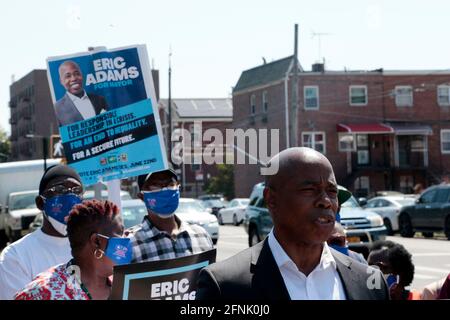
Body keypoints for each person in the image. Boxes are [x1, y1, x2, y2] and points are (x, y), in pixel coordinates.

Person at [196, 147, 389, 300]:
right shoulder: (224, 285)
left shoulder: (370, 282)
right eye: (309, 189)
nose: (326, 201)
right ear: (272, 199)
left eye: (332, 191)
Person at [14, 200, 131, 300]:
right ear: (96, 241)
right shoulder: (40, 293)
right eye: (121, 234)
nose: (127, 238)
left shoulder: (127, 285)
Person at [0, 164, 83, 300]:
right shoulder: (15, 257)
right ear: (40, 203)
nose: (70, 196)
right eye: (60, 190)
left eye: (76, 190)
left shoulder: (94, 247)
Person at [127, 168, 213, 263]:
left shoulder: (201, 235)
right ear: (141, 196)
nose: (165, 190)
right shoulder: (129, 243)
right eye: (155, 185)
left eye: (171, 184)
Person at [54, 60, 108, 126]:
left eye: (77, 74)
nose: (73, 79)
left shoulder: (100, 100)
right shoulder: (57, 108)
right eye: (68, 76)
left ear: (82, 75)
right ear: (61, 81)